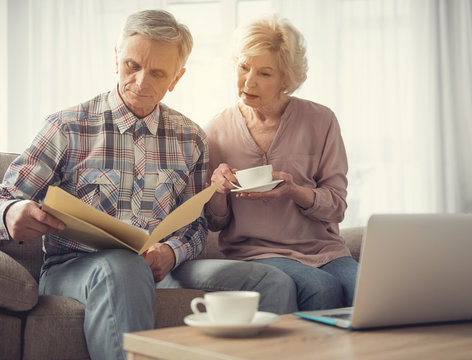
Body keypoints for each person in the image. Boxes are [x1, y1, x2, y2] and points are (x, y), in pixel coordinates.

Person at [0, 10, 297, 360]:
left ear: (176, 77)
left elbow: (196, 226)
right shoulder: (67, 127)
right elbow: (7, 197)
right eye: (131, 66)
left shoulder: (191, 138)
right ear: (116, 58)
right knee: (124, 267)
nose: (141, 81)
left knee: (273, 282)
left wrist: (172, 253)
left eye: (157, 73)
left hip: (162, 269)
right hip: (74, 268)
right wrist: (12, 213)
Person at [205, 14, 359, 312]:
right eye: (243, 67)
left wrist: (294, 190)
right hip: (255, 252)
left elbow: (337, 205)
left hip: (325, 251)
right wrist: (218, 192)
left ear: (286, 80)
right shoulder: (215, 131)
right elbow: (215, 222)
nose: (248, 81)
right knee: (320, 288)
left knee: (366, 291)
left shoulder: (321, 121)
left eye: (264, 73)